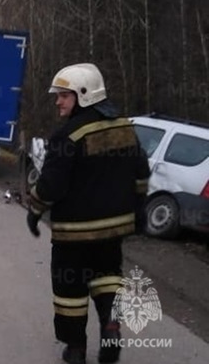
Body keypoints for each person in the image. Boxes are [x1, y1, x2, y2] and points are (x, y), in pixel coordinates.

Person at [26, 63, 151, 364]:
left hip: (74, 233)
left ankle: (76, 348)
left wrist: (34, 209)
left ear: (83, 95)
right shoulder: (124, 128)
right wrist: (138, 209)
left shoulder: (68, 136)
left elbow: (51, 186)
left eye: (64, 96)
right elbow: (142, 174)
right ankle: (110, 329)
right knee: (107, 279)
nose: (58, 102)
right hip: (113, 232)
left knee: (70, 290)